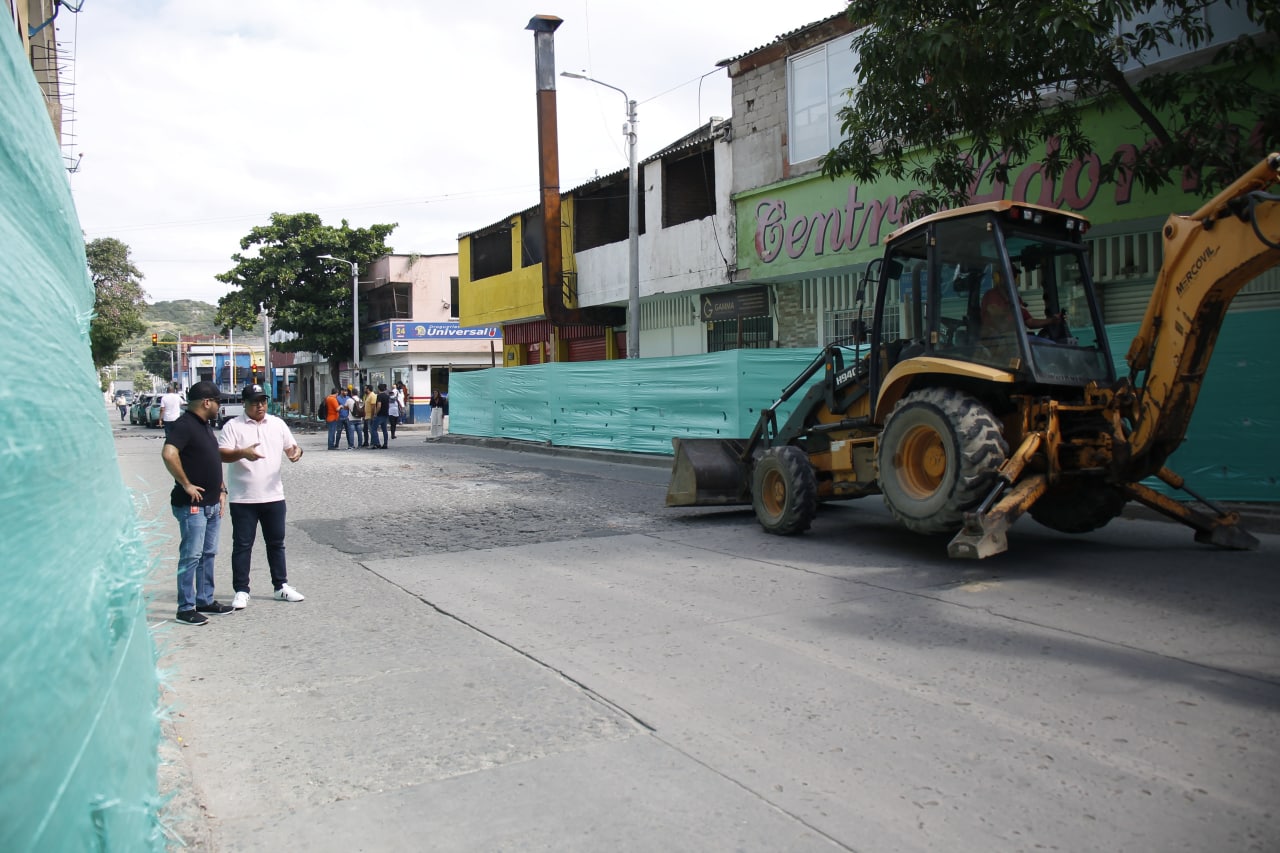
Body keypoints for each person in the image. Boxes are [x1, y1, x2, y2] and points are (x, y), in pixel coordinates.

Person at [219, 383, 305, 609]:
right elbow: (222, 454)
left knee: (276, 543)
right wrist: (242, 452)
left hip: (274, 496)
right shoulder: (233, 426)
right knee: (242, 545)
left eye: (263, 401)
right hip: (243, 498)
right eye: (255, 402)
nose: (260, 406)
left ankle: (281, 586)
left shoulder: (277, 424)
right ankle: (241, 590)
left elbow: (292, 447)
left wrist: (296, 453)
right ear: (244, 403)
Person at [161, 380, 235, 626]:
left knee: (208, 553)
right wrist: (186, 484)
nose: (219, 406)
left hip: (212, 504)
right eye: (217, 401)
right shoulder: (184, 425)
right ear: (206, 402)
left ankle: (205, 599)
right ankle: (186, 608)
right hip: (192, 506)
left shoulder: (204, 426)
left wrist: (221, 488)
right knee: (191, 555)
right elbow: (169, 454)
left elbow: (212, 459)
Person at [980, 266, 1064, 339]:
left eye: (1014, 276)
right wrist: (1012, 308)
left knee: (1047, 344)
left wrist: (1052, 321)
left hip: (1015, 341)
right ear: (998, 277)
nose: (1011, 278)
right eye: (1007, 275)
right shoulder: (991, 295)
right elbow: (994, 311)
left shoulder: (1016, 299)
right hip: (994, 342)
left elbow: (1030, 322)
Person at [371, 383, 391, 448]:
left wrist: (376, 413)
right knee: (384, 430)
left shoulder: (379, 396)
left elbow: (379, 405)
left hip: (380, 415)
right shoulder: (387, 396)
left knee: (373, 429)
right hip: (385, 414)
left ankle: (377, 443)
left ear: (378, 388)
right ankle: (385, 444)